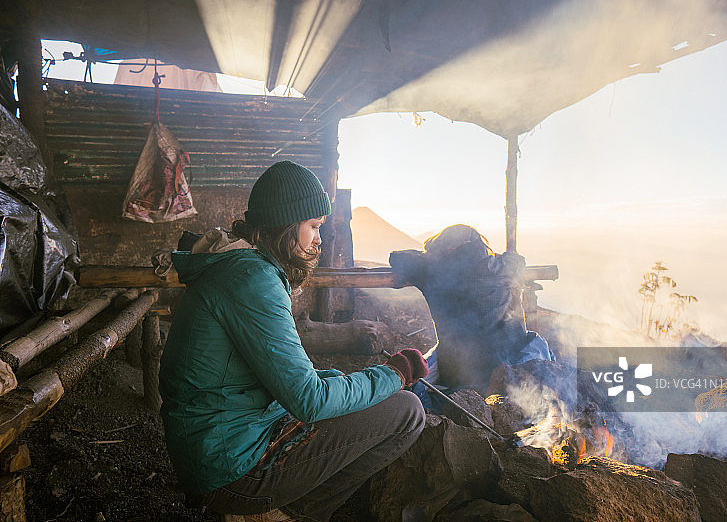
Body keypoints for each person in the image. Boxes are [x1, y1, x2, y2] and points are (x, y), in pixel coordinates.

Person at [159, 160, 428, 522]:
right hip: (229, 468)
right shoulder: (253, 281)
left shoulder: (238, 267)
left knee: (357, 396)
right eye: (314, 226)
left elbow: (287, 382)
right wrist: (394, 374)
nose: (320, 239)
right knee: (407, 411)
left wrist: (347, 380)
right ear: (286, 225)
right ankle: (289, 514)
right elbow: (309, 401)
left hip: (218, 444)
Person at [390, 224, 554, 402]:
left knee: (432, 359)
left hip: (456, 372)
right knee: (536, 342)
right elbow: (518, 260)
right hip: (502, 368)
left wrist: (430, 254)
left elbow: (397, 257)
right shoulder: (499, 270)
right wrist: (499, 258)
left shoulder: (430, 273)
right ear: (480, 245)